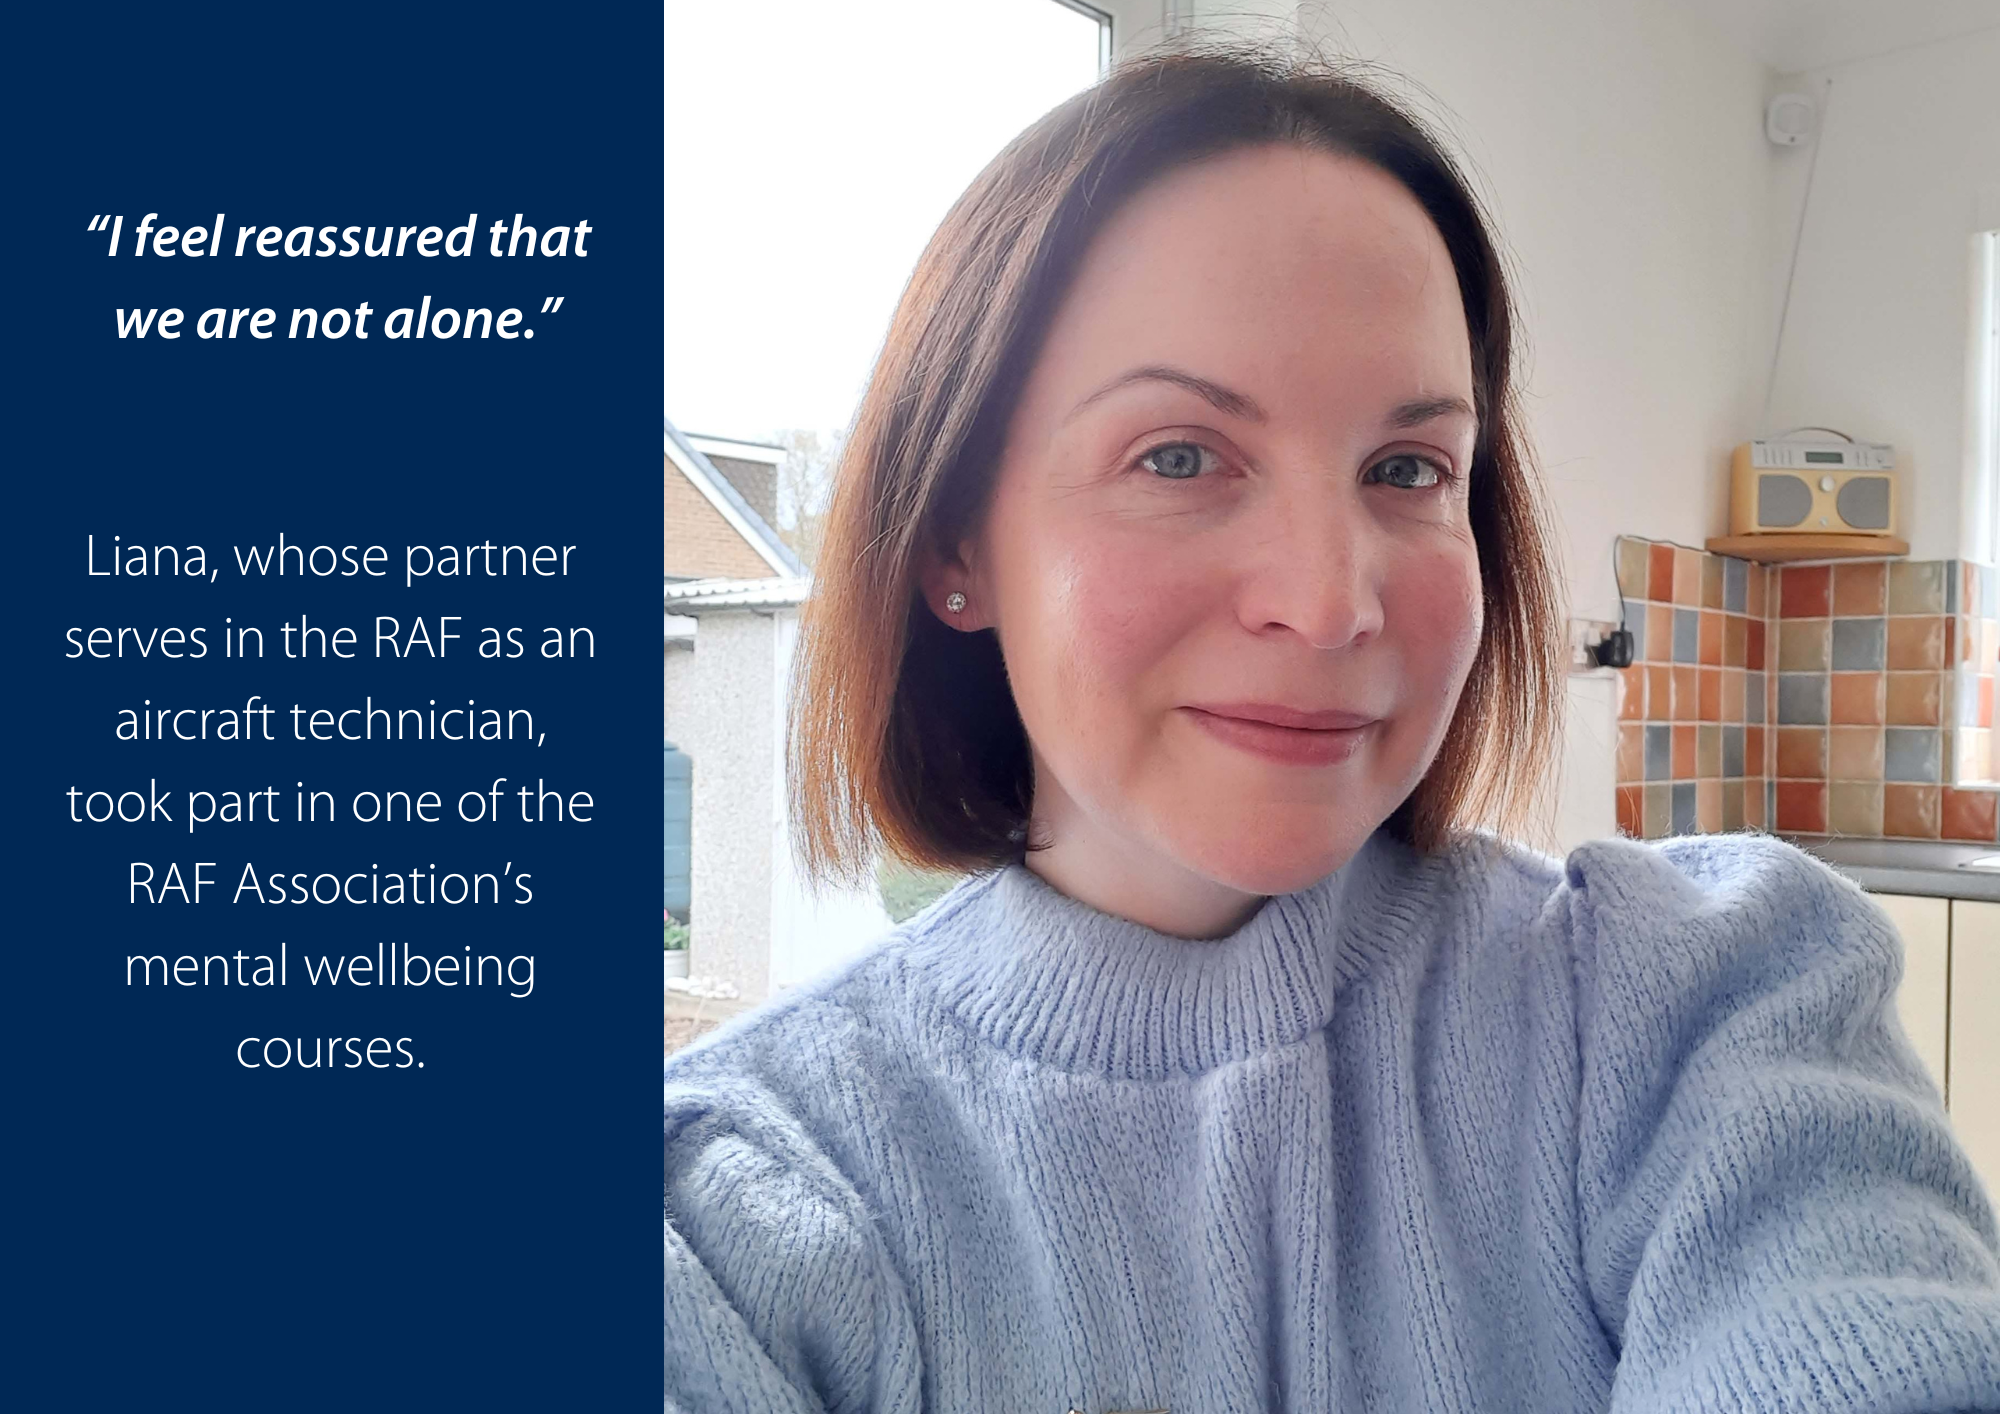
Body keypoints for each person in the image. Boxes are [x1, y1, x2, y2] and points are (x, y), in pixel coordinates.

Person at [664, 39, 2000, 1411]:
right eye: (1177, 455)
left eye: (1408, 468)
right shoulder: (727, 1221)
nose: (1327, 603)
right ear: (958, 543)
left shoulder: (1706, 1011)